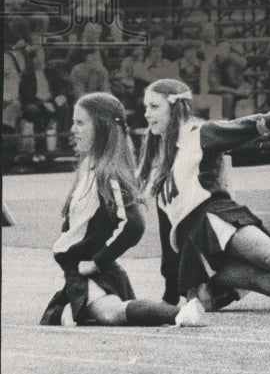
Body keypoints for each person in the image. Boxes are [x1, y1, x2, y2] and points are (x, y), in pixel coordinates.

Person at [138, 77, 270, 323]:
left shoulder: (197, 133)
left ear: (176, 107)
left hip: (214, 217)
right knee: (258, 279)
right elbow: (168, 234)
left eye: (154, 106)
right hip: (194, 243)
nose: (147, 114)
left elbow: (236, 128)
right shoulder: (161, 162)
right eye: (146, 107)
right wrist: (170, 295)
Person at [41, 92, 182, 327]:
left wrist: (97, 262)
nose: (73, 129)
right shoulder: (88, 166)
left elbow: (134, 223)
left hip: (91, 270)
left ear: (102, 127)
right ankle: (71, 307)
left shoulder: (109, 173)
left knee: (110, 313)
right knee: (70, 317)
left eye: (80, 122)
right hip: (76, 270)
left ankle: (178, 313)